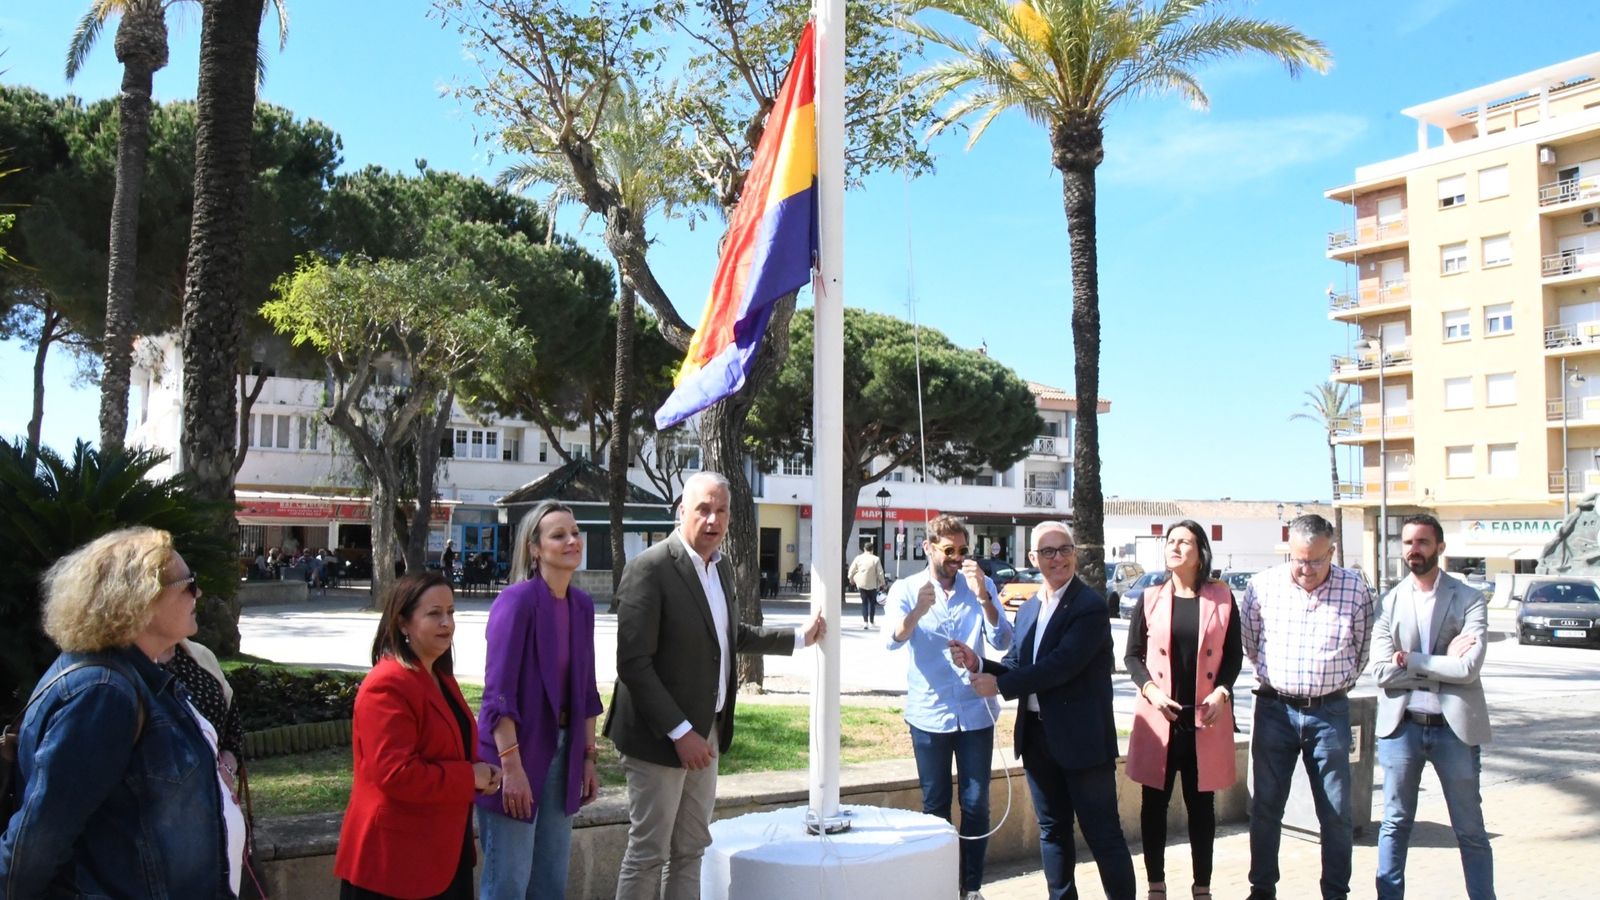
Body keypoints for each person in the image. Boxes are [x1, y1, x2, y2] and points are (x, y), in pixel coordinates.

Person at [605, 471, 826, 900]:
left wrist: (799, 638)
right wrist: (680, 732)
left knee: (691, 849)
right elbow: (633, 664)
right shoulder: (649, 568)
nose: (713, 520)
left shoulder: (720, 568)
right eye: (703, 509)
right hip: (658, 737)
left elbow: (729, 635)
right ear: (681, 511)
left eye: (721, 510)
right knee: (649, 852)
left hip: (706, 731)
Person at [0, 527, 240, 896]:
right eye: (188, 584)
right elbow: (38, 841)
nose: (199, 593)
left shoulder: (133, 677)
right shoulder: (102, 693)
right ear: (141, 600)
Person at [952, 521, 1136, 900]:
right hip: (1037, 738)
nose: (1058, 558)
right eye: (1048, 551)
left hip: (1083, 743)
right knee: (1052, 832)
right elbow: (1019, 664)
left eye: (1065, 549)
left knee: (1103, 835)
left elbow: (1061, 666)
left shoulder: (1089, 606)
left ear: (1075, 554)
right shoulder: (1030, 608)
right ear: (1033, 558)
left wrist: (999, 686)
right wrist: (980, 664)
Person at [335, 572, 502, 900]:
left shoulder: (440, 677)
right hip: (395, 866)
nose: (447, 623)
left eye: (451, 612)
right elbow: (395, 774)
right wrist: (469, 776)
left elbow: (448, 747)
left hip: (444, 858)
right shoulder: (387, 685)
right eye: (434, 613)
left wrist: (481, 772)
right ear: (403, 623)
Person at [1240, 513, 1373, 900]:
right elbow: (1251, 644)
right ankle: (1261, 889)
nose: (1306, 569)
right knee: (1266, 807)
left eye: (1316, 560)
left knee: (1336, 812)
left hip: (1329, 714)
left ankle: (1336, 893)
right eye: (1299, 559)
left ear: (1332, 552)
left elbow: (1361, 651)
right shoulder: (1262, 587)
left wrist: (1331, 684)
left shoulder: (1355, 590)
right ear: (1289, 551)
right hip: (1274, 710)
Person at [476, 501, 605, 899]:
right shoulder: (516, 602)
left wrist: (587, 758)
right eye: (558, 535)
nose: (572, 541)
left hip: (564, 752)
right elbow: (498, 695)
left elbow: (587, 692)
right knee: (508, 882)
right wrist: (512, 768)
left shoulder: (582, 606)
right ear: (535, 549)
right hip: (515, 752)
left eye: (575, 533)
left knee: (549, 883)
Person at [885, 515, 1014, 900]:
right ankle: (940, 886)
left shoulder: (980, 585)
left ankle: (971, 887)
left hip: (976, 712)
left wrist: (985, 598)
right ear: (928, 548)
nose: (957, 558)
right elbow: (892, 639)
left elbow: (1003, 640)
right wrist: (916, 612)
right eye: (949, 550)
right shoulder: (907, 588)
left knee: (976, 805)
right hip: (929, 713)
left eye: (963, 550)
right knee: (935, 805)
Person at [1368, 514, 1494, 900]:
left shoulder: (1469, 599)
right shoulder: (1389, 602)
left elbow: (1468, 669)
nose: (1414, 550)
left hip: (1454, 730)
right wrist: (1442, 664)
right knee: (1394, 824)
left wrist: (1411, 661)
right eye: (1408, 543)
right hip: (1401, 728)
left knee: (1470, 830)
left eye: (1422, 542)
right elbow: (1380, 672)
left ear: (1440, 546)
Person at [1123, 521, 1242, 900]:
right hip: (1161, 718)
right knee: (1153, 806)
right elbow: (1132, 656)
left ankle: (1202, 887)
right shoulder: (1150, 598)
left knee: (1202, 807)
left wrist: (1222, 691)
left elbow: (1234, 655)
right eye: (1170, 541)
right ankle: (1155, 885)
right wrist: (1150, 691)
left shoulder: (1222, 598)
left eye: (1184, 542)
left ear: (1200, 552)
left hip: (1204, 719)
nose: (1174, 547)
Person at [160, 637, 247, 803]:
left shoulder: (201, 655)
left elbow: (233, 728)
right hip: (165, 809)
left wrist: (227, 771)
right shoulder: (123, 670)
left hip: (212, 807)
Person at [848, 539, 888, 629]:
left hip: (861, 584)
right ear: (872, 549)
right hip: (872, 584)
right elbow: (880, 572)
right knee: (872, 604)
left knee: (864, 603)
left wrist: (851, 578)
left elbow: (851, 570)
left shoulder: (858, 558)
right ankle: (872, 621)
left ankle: (865, 622)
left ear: (864, 549)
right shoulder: (876, 559)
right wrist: (883, 583)